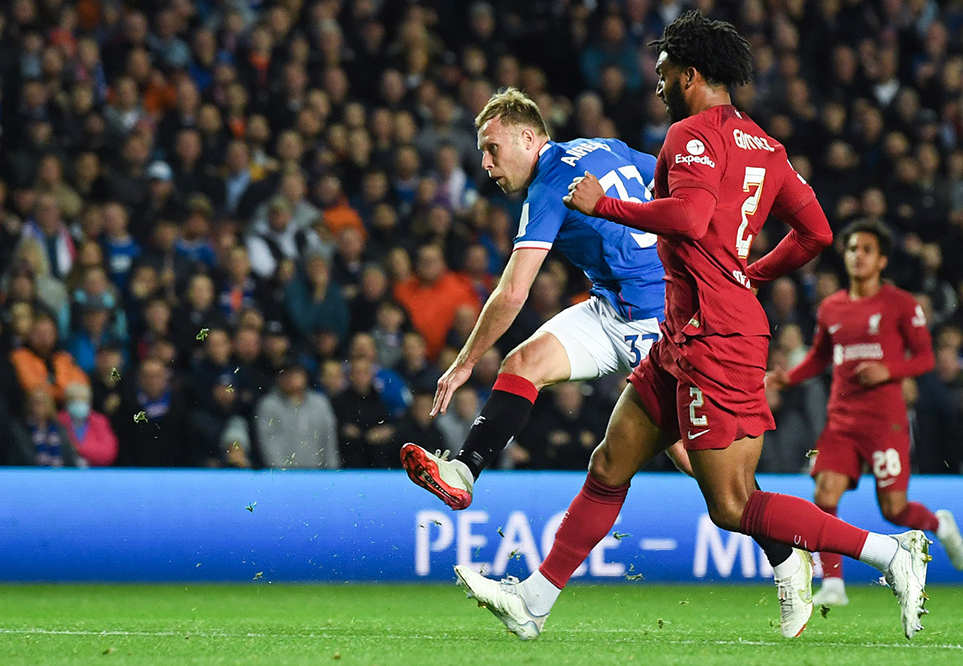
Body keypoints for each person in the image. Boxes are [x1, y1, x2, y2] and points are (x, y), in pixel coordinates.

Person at [454, 12, 928, 642]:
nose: (656, 86)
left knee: (732, 505)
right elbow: (817, 233)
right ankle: (532, 603)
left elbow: (691, 215)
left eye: (662, 75)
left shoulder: (689, 136)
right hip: (686, 328)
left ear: (690, 74)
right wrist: (752, 272)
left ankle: (891, 554)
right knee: (610, 461)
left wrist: (609, 207)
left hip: (715, 337)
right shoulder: (766, 146)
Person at [399, 85, 801, 631]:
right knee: (522, 364)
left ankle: (787, 557)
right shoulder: (600, 147)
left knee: (702, 470)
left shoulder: (549, 184)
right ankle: (464, 471)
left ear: (528, 136)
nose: (486, 164)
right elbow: (668, 177)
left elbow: (514, 292)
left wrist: (466, 360)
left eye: (493, 148)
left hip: (655, 318)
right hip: (610, 306)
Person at [767, 219, 963, 606]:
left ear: (882, 260)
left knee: (895, 510)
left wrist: (889, 371)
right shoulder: (831, 307)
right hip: (841, 421)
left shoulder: (901, 305)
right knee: (825, 492)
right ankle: (834, 584)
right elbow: (820, 358)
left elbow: (925, 357)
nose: (858, 256)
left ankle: (939, 524)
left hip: (884, 422)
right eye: (853, 248)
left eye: (866, 250)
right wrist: (787, 378)